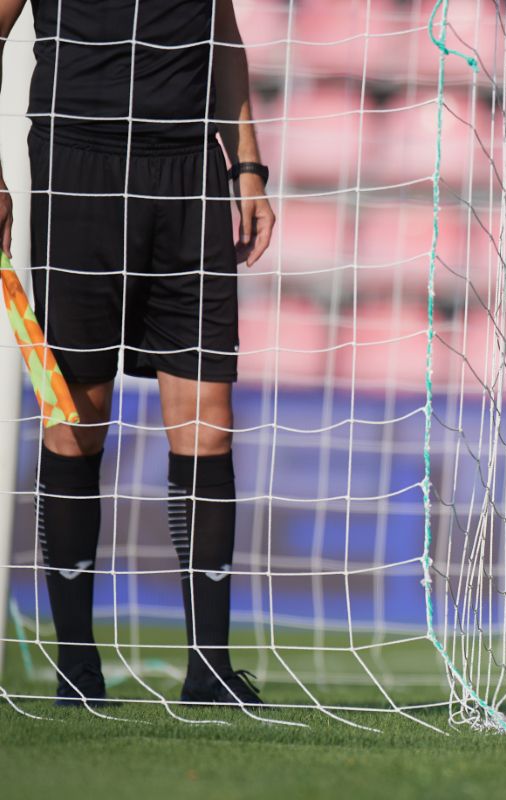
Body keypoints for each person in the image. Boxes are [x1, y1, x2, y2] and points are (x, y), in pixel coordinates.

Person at [0, 0, 274, 705]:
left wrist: (247, 167)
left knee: (209, 418)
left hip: (188, 172)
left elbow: (223, 36)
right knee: (77, 417)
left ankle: (209, 671)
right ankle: (76, 671)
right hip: (77, 165)